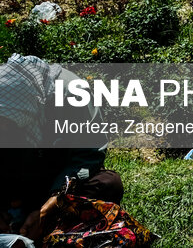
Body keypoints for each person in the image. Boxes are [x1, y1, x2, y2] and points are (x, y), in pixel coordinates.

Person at [0, 54, 124, 246]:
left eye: (8, 123)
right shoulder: (5, 94)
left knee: (108, 184)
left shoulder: (73, 94)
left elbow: (88, 153)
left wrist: (54, 201)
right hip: (19, 181)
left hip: (57, 179)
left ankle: (45, 219)